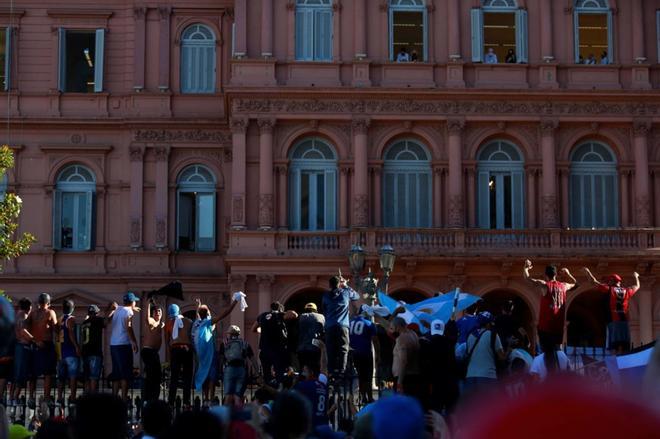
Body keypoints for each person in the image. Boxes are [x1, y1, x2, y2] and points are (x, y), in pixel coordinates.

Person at [583, 267, 640, 354]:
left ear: (612, 281)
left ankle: (615, 365)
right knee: (625, 347)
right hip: (624, 323)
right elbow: (637, 286)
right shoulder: (627, 291)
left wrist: (587, 272)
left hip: (613, 322)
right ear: (619, 282)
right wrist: (636, 276)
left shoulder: (609, 289)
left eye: (609, 281)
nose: (608, 283)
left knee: (613, 347)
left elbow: (593, 282)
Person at [192, 296, 239, 403]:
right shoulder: (208, 322)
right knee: (211, 376)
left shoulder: (197, 323)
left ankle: (206, 398)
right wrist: (235, 301)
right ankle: (210, 398)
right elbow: (226, 313)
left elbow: (198, 315)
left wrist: (198, 306)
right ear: (208, 313)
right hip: (209, 354)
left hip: (201, 355)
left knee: (205, 375)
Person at [523, 259, 576, 347]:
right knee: (558, 350)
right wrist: (568, 274)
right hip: (558, 327)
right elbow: (576, 284)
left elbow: (528, 279)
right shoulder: (564, 285)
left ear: (546, 275)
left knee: (546, 353)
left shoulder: (545, 285)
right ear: (555, 274)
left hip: (545, 328)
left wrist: (526, 268)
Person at [323, 275, 359, 379]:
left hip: (330, 325)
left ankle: (331, 371)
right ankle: (342, 370)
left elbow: (324, 309)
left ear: (329, 285)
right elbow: (356, 296)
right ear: (339, 284)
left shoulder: (325, 296)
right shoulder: (346, 293)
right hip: (343, 325)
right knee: (343, 348)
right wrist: (346, 285)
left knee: (330, 349)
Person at [252, 302, 296, 386]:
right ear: (279, 309)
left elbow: (253, 329)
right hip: (277, 350)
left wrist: (264, 330)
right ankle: (279, 391)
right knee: (279, 372)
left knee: (266, 374)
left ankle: (268, 390)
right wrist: (284, 313)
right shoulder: (279, 315)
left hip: (264, 350)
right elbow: (294, 314)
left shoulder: (262, 316)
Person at [421, 319, 459, 414]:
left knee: (435, 412)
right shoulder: (450, 344)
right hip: (449, 383)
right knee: (451, 413)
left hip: (434, 384)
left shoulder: (426, 344)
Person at [465, 311, 509, 393]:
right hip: (488, 377)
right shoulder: (493, 335)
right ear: (488, 324)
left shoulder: (470, 335)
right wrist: (509, 349)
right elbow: (502, 357)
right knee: (487, 404)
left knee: (473, 405)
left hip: (470, 377)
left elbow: (467, 353)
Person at [109, 292, 139, 401]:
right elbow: (129, 327)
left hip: (113, 344)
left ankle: (114, 398)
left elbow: (119, 307)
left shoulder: (119, 309)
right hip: (123, 345)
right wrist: (134, 342)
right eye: (135, 301)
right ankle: (123, 399)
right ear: (132, 302)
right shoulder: (129, 311)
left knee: (116, 373)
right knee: (125, 374)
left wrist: (132, 309)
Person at [28, 293, 58, 402]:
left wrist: (34, 340)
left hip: (35, 344)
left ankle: (31, 397)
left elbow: (27, 327)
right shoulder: (50, 312)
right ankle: (46, 397)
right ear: (48, 303)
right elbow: (56, 328)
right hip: (46, 345)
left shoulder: (32, 313)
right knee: (48, 373)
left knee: (33, 374)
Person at [219, 325, 257, 407]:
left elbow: (221, 359)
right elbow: (253, 359)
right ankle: (239, 416)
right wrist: (257, 372)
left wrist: (220, 372)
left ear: (229, 334)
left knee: (228, 396)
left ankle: (226, 417)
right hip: (241, 369)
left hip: (229, 369)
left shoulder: (225, 343)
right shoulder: (245, 343)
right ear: (238, 334)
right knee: (238, 396)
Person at [164, 303, 193, 408]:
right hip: (187, 349)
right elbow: (193, 337)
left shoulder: (168, 323)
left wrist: (169, 354)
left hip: (175, 350)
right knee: (187, 377)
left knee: (174, 378)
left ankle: (171, 402)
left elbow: (167, 341)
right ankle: (186, 402)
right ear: (179, 311)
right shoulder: (189, 322)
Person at [349, 305, 377, 404]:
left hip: (353, 353)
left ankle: (361, 396)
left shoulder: (350, 322)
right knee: (367, 376)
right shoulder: (369, 323)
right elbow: (375, 340)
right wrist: (378, 354)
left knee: (358, 376)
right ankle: (368, 397)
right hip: (365, 353)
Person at [56, 299, 81, 404]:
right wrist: (76, 346)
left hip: (60, 351)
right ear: (73, 308)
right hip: (70, 351)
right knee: (72, 376)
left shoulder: (59, 319)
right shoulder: (71, 319)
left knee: (61, 377)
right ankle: (73, 397)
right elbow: (71, 333)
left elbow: (57, 332)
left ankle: (60, 397)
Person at [11, 298, 35, 406]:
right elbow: (22, 330)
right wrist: (34, 339)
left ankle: (13, 397)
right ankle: (15, 398)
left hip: (18, 346)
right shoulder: (23, 315)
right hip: (22, 346)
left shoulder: (16, 315)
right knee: (21, 373)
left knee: (18, 373)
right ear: (28, 307)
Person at [390, 317, 420, 399]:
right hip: (413, 377)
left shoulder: (401, 338)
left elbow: (403, 361)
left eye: (392, 327)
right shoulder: (413, 335)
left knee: (402, 408)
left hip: (404, 379)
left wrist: (399, 383)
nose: (391, 330)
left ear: (398, 327)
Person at [294, 364, 330, 432]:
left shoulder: (304, 385)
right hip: (323, 423)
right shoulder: (323, 385)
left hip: (311, 425)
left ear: (311, 372)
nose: (303, 373)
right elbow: (324, 366)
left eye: (305, 371)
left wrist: (295, 381)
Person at [141, 299, 164, 402]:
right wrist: (148, 304)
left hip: (154, 353)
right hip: (148, 351)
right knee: (151, 376)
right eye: (156, 311)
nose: (158, 313)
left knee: (157, 376)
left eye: (159, 311)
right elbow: (146, 318)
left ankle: (153, 398)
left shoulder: (160, 324)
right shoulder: (152, 321)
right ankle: (147, 398)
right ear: (153, 313)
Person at [80, 305, 105, 393]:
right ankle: (93, 398)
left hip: (85, 352)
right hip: (95, 352)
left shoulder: (84, 323)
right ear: (96, 313)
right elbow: (106, 322)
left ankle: (87, 398)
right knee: (94, 377)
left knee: (87, 378)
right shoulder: (98, 320)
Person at [296, 302, 325, 375]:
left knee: (302, 369)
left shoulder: (301, 317)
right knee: (316, 368)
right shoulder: (321, 317)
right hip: (315, 347)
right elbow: (324, 331)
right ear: (315, 310)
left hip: (302, 348)